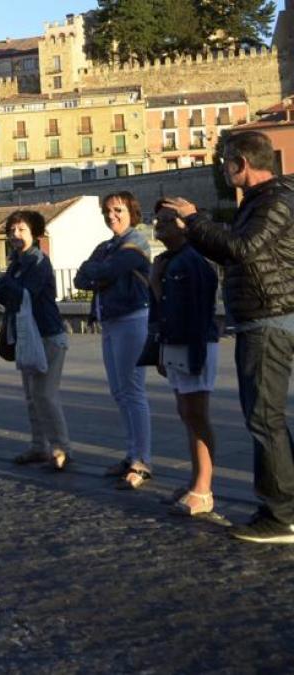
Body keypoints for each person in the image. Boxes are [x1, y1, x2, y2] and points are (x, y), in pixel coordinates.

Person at [162, 130, 294, 541]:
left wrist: (195, 219)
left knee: (264, 418)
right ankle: (283, 506)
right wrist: (196, 229)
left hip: (269, 317)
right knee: (266, 417)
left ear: (242, 164)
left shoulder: (274, 201)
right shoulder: (260, 201)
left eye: (225, 162)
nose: (222, 169)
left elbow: (242, 249)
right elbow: (231, 251)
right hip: (263, 316)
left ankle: (282, 515)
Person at [75, 192, 153, 489]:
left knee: (133, 391)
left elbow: (104, 270)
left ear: (132, 212)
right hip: (109, 321)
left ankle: (141, 461)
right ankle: (131, 454)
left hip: (132, 319)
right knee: (119, 392)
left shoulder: (136, 242)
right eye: (107, 211)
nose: (112, 216)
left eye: (118, 210)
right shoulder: (106, 246)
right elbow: (80, 279)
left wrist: (99, 273)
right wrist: (101, 274)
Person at [147, 202, 220, 516]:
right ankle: (195, 482)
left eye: (168, 218)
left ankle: (203, 488)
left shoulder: (193, 261)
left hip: (194, 343)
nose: (159, 223)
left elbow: (200, 310)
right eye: (158, 218)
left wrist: (195, 355)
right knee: (187, 413)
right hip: (176, 342)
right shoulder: (167, 261)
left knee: (196, 414)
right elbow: (163, 307)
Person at [0, 210, 73, 470]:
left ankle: (61, 449)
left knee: (45, 394)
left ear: (35, 233)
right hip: (28, 335)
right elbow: (10, 299)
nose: (15, 234)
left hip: (48, 334)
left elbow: (26, 294)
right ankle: (39, 447)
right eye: (12, 230)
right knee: (32, 396)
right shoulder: (17, 262)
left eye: (21, 229)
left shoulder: (37, 261)